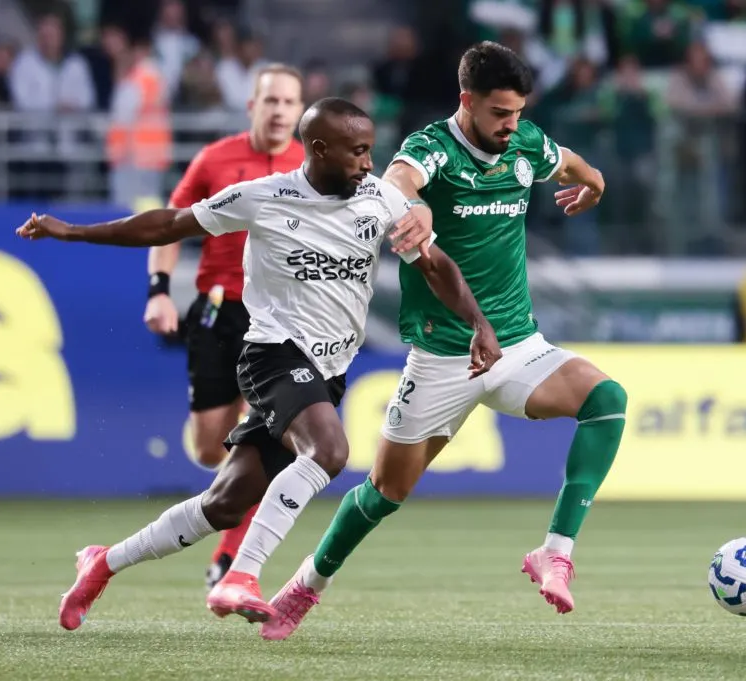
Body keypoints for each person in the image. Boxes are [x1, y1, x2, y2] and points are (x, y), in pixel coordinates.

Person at [16, 97, 500, 630]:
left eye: (370, 151)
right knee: (330, 451)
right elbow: (170, 224)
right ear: (320, 149)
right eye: (358, 151)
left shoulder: (380, 198)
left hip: (328, 372)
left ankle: (102, 563)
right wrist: (74, 232)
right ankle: (242, 574)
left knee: (223, 504)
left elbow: (434, 264)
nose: (368, 163)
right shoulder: (263, 197)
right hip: (273, 354)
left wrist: (478, 322)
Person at [261, 41, 628, 641]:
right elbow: (399, 178)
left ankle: (555, 552)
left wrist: (594, 182)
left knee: (607, 400)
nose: (510, 125)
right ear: (467, 101)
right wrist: (416, 208)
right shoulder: (433, 148)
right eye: (499, 113)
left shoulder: (525, 143)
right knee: (384, 493)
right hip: (441, 359)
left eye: (517, 112)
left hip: (517, 347)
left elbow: (568, 163)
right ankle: (307, 584)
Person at [144, 63, 306, 589]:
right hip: (220, 311)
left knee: (267, 435)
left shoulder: (312, 165)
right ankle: (232, 529)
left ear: (301, 110)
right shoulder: (215, 159)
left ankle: (231, 558)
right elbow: (169, 225)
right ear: (252, 106)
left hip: (281, 318)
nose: (279, 110)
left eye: (289, 101)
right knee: (210, 448)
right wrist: (159, 291)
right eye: (271, 100)